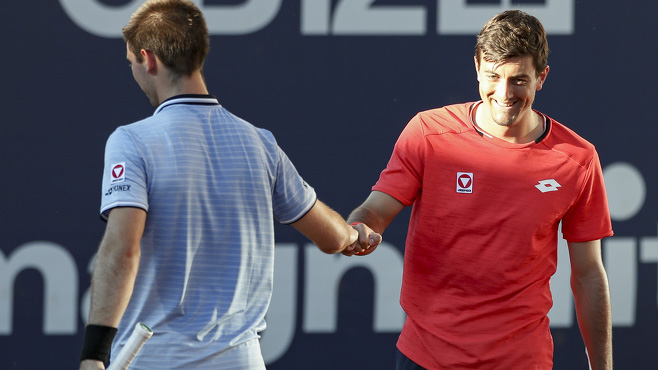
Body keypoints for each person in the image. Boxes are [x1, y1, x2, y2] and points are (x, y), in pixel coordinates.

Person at [78, 1, 380, 369]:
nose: (135, 73)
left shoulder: (132, 141)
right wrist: (354, 235)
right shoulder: (259, 142)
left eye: (132, 64)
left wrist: (93, 356)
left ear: (149, 59)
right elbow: (333, 238)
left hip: (156, 359)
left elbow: (122, 250)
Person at [346, 9, 613, 370]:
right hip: (425, 356)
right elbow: (375, 210)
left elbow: (588, 274)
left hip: (522, 360)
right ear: (476, 68)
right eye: (492, 77)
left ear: (541, 78)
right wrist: (361, 227)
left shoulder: (578, 159)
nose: (504, 93)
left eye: (519, 80)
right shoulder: (428, 133)